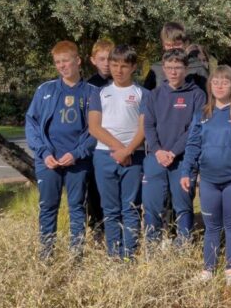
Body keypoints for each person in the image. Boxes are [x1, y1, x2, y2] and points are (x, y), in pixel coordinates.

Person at [180, 65, 231, 285]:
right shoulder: (201, 115)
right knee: (211, 226)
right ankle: (208, 269)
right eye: (215, 82)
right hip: (209, 181)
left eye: (225, 82)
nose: (219, 86)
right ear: (210, 85)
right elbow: (192, 145)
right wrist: (186, 171)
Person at [26, 41, 98, 261]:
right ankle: (46, 256)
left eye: (66, 61)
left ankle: (76, 257)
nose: (62, 66)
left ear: (78, 61)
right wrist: (44, 153)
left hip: (77, 161)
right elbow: (32, 123)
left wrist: (76, 153)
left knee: (77, 207)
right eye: (58, 62)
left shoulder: (92, 92)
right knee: (48, 207)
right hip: (48, 160)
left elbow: (97, 130)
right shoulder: (45, 90)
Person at [88, 45, 147, 260]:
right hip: (105, 156)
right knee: (110, 210)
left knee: (130, 208)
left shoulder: (143, 94)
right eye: (114, 65)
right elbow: (94, 127)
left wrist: (128, 150)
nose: (118, 70)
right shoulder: (99, 93)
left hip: (134, 157)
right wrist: (119, 149)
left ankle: (129, 255)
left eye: (123, 66)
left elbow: (143, 127)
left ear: (133, 67)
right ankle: (114, 255)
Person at [142, 49, 206, 246]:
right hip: (156, 157)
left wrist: (173, 151)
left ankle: (184, 245)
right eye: (169, 67)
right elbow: (148, 125)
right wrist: (158, 150)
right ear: (164, 68)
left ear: (185, 68)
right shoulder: (154, 95)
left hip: (183, 160)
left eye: (178, 67)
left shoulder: (197, 95)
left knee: (183, 205)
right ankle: (152, 246)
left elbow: (196, 129)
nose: (173, 72)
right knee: (152, 205)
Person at [85, 37, 115, 242]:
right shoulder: (88, 86)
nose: (106, 63)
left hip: (119, 146)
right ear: (93, 60)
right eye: (102, 58)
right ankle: (97, 230)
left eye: (110, 58)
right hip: (95, 147)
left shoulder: (123, 82)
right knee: (94, 191)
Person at [143, 22, 209, 91]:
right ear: (163, 45)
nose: (172, 49)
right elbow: (147, 97)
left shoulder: (197, 68)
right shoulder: (156, 69)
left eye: (177, 44)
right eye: (168, 45)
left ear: (186, 44)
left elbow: (207, 97)